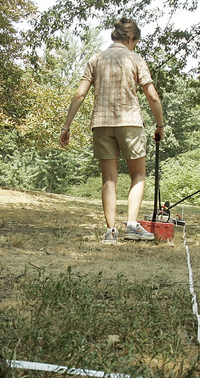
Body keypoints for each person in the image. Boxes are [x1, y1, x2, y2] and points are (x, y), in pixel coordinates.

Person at [59, 17, 166, 243]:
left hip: (102, 123)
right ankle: (132, 225)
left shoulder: (96, 59)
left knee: (109, 179)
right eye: (135, 41)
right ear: (130, 38)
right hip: (130, 122)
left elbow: (79, 94)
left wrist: (66, 126)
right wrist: (160, 125)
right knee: (138, 175)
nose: (134, 45)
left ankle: (110, 232)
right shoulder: (135, 59)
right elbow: (152, 96)